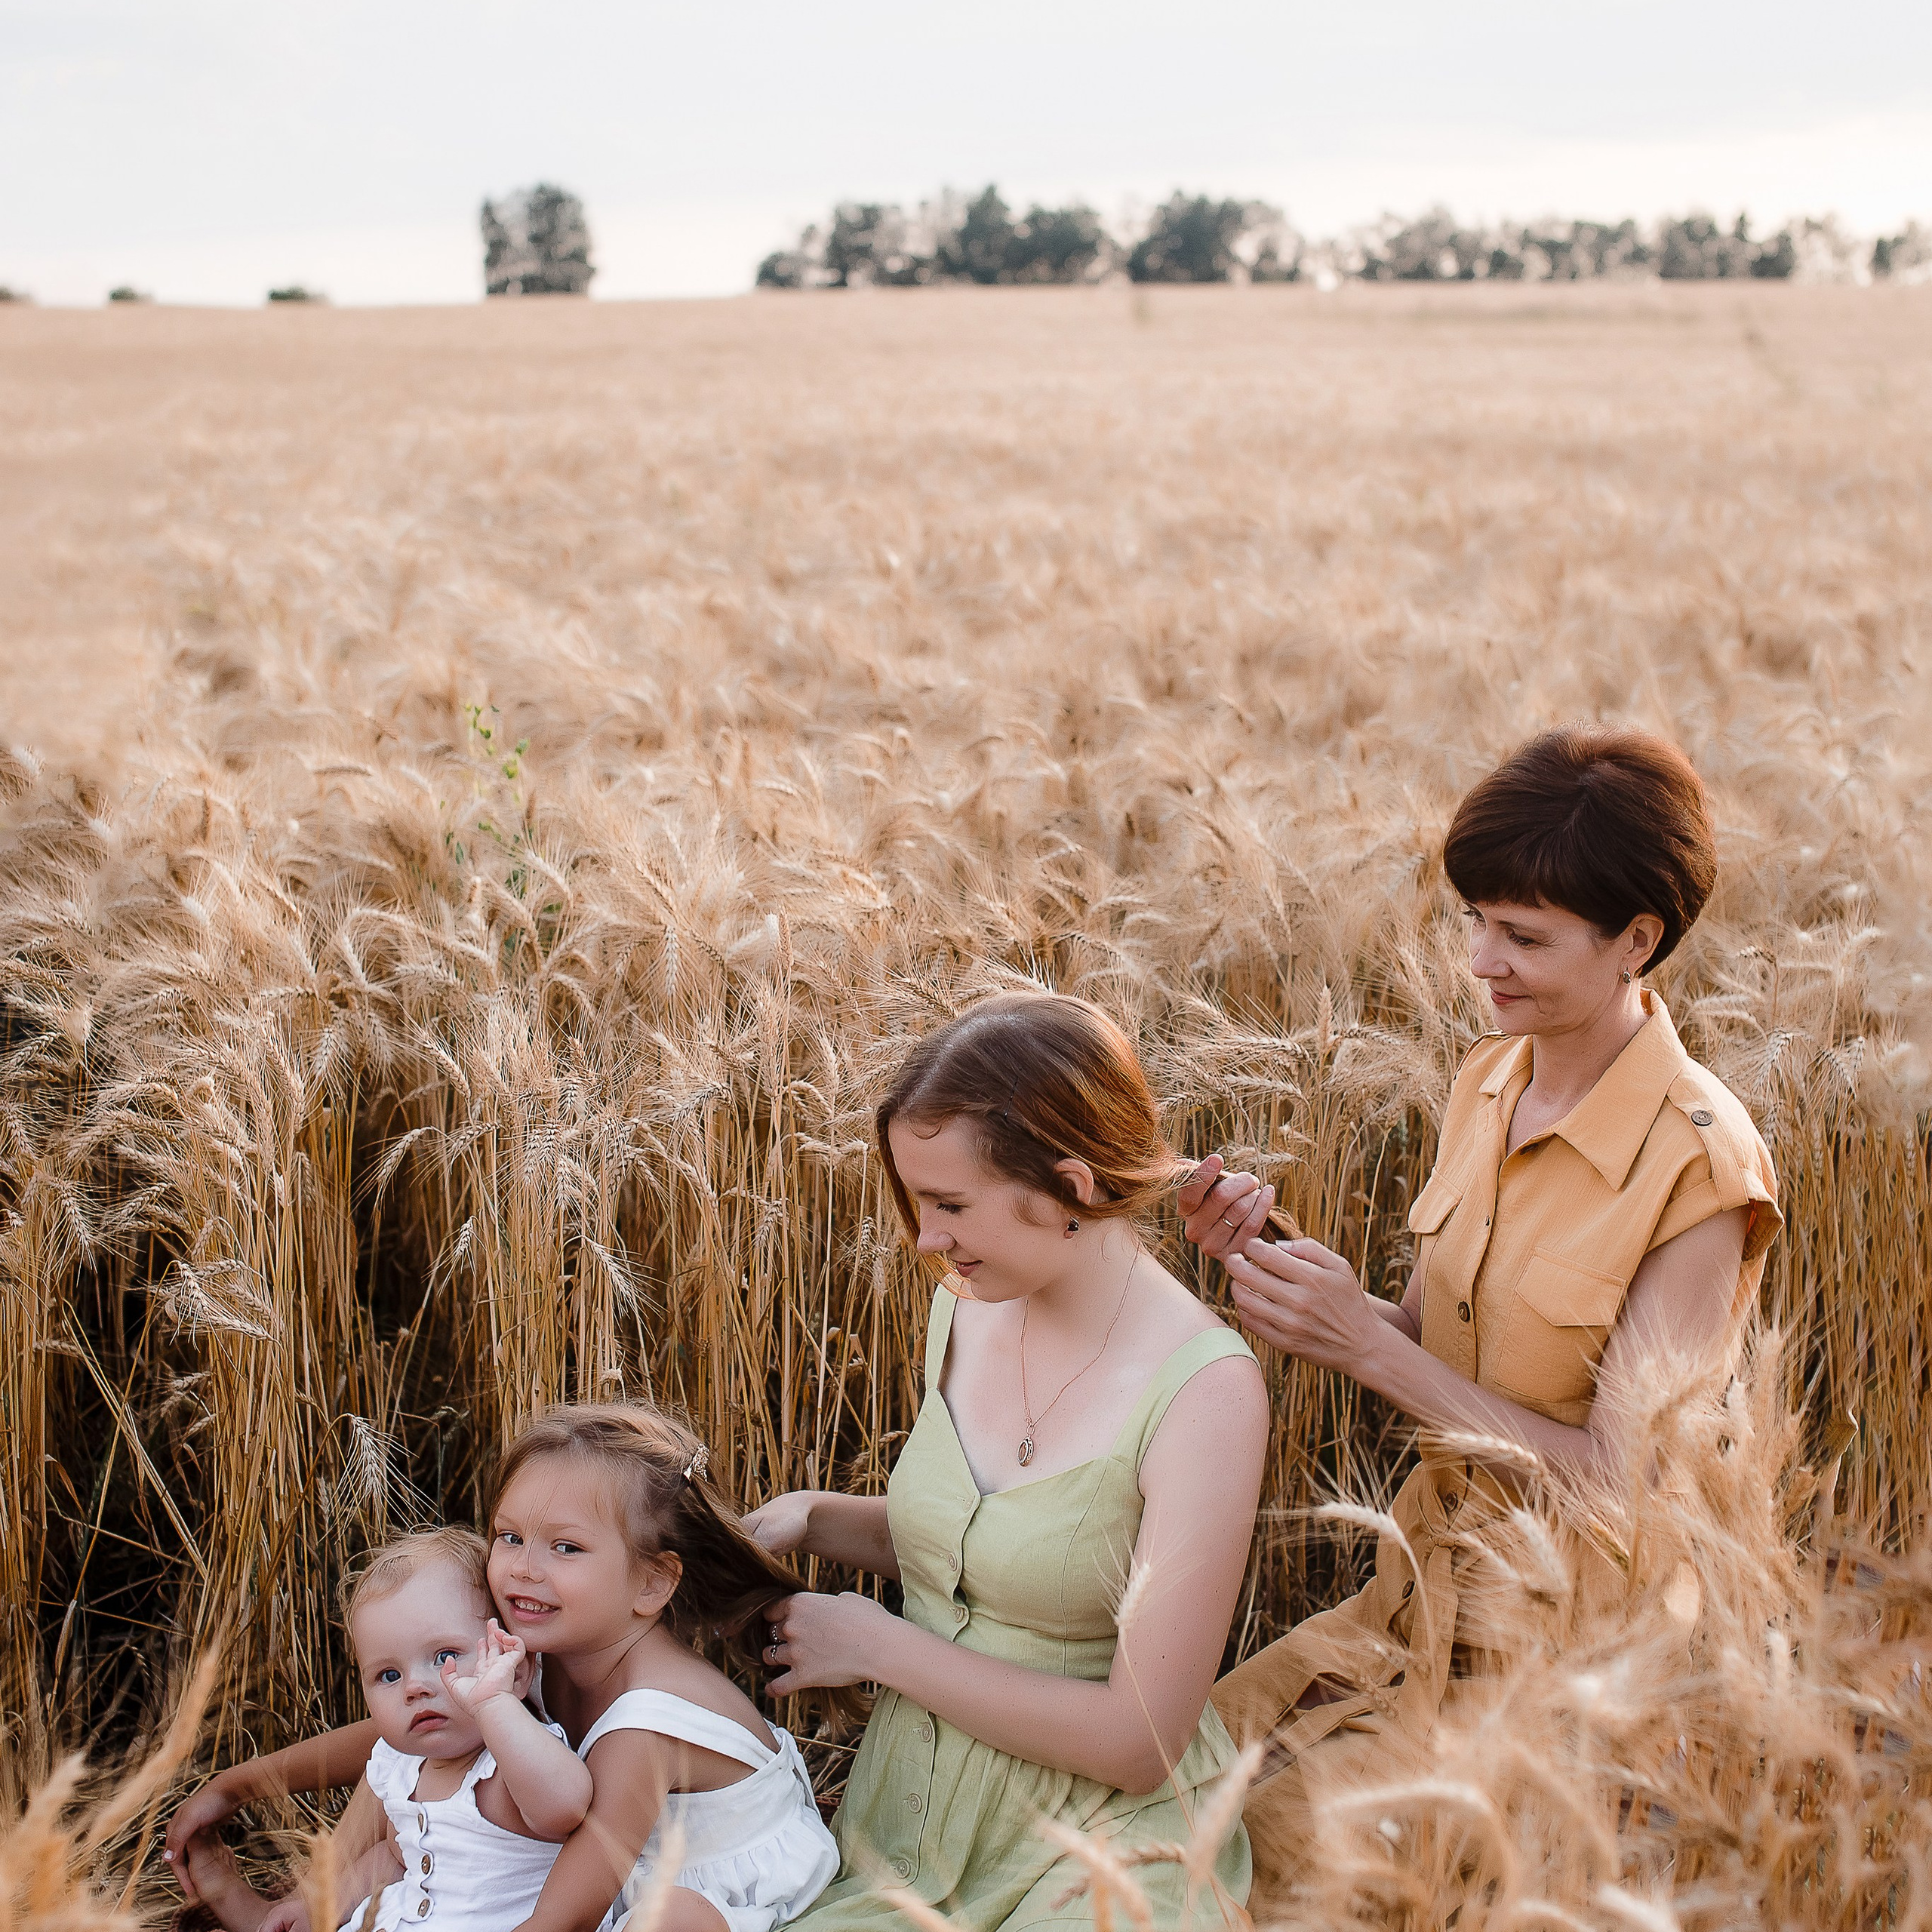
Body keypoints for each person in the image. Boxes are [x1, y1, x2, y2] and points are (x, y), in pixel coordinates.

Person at [1177, 725, 1783, 1917]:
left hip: (1565, 1657)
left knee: (1264, 1868)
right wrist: (1300, 1275)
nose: (1481, 961)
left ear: (1637, 942)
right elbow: (1430, 1337)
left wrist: (1366, 1345)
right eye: (1473, 921)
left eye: (1524, 937)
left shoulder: (1702, 1175)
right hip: (1410, 1597)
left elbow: (1625, 1490)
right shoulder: (1488, 1082)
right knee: (1174, 1799)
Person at [745, 992, 1269, 1931]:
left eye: (949, 1203)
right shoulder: (968, 1302)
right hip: (917, 1816)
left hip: (1106, 1846)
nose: (924, 1237)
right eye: (915, 1200)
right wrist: (813, 1516)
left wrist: (876, 1646)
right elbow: (993, 1555)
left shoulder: (1206, 1393)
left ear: (1071, 1184)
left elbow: (1138, 1740)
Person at [168, 1406, 840, 1932]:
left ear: (651, 1585)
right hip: (589, 1864)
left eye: (566, 1547)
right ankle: (309, 1905)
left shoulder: (648, 1722)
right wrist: (236, 1786)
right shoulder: (547, 1646)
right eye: (510, 1536)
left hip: (699, 1887)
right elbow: (394, 1734)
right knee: (434, 1750)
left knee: (674, 1922)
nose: (522, 1567)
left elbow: (566, 1917)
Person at [172, 1526, 592, 1932]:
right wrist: (324, 1904)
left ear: (515, 1672)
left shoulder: (514, 1762)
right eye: (389, 1675)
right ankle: (255, 1911)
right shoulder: (403, 1769)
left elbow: (566, 1806)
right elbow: (396, 1854)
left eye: (446, 1655)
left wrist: (496, 1704)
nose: (414, 1688)